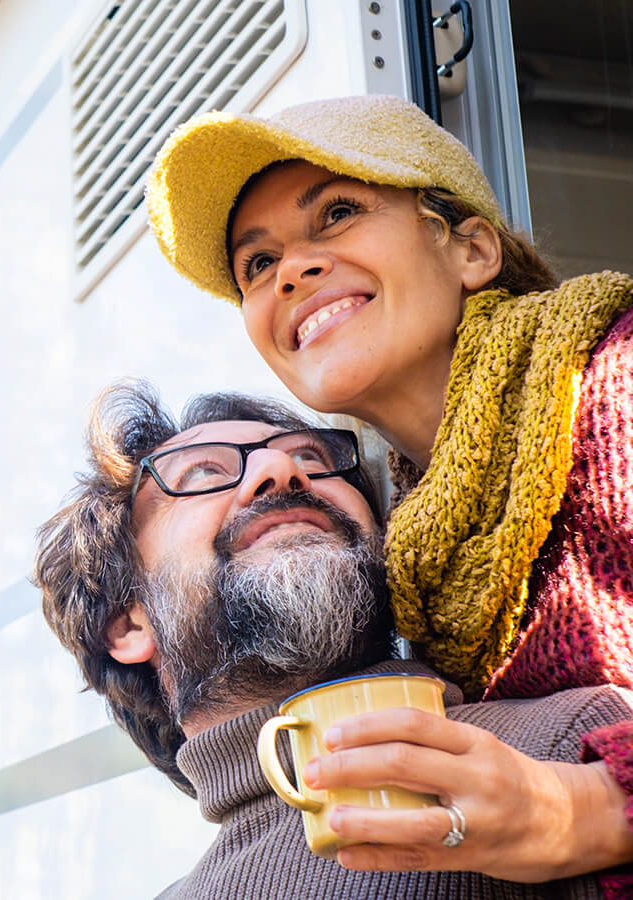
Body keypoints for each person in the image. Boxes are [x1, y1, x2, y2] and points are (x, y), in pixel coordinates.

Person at [146, 94, 633, 888]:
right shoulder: (411, 564)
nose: (293, 271)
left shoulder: (614, 386)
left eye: (338, 213)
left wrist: (585, 809)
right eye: (257, 265)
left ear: (471, 249)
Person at [34, 381, 633, 896]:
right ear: (128, 623)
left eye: (315, 460)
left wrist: (596, 812)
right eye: (204, 473)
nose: (281, 470)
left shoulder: (582, 748)